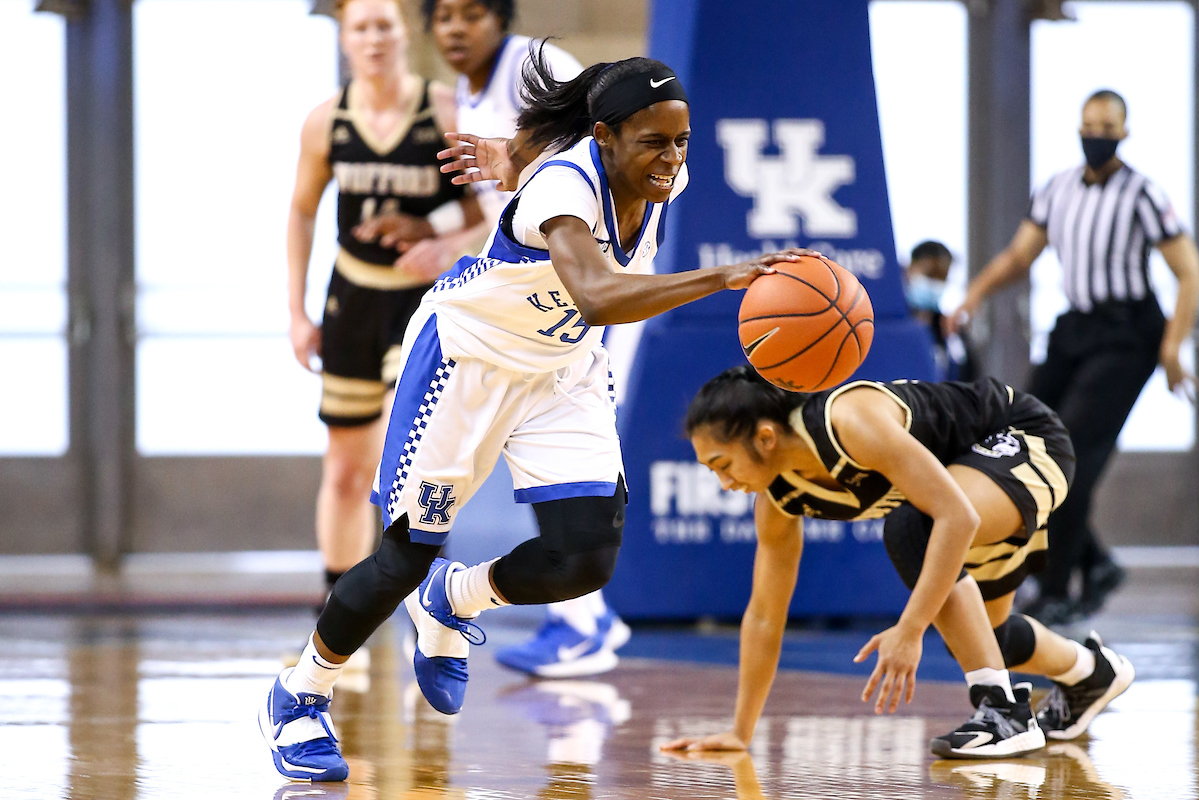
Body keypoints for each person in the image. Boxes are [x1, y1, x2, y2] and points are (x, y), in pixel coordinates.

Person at [260, 46, 811, 782]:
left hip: (562, 369)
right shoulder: (567, 184)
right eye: (654, 141)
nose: (673, 157)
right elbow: (596, 294)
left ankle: (455, 597)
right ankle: (299, 694)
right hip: (468, 360)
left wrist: (505, 155)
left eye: (682, 140)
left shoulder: (647, 172)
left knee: (584, 557)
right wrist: (722, 276)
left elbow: (542, 154)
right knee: (402, 554)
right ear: (606, 136)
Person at [661, 367, 1134, 759]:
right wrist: (741, 732)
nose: (724, 482)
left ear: (764, 437)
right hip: (967, 482)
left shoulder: (848, 420)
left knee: (913, 528)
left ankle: (1003, 712)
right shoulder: (779, 498)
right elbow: (765, 615)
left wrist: (909, 631)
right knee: (984, 638)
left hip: (1022, 439)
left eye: (723, 465)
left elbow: (956, 515)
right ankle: (1090, 674)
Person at [421, 0, 633, 678]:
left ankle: (584, 623)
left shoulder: (538, 69)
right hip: (529, 306)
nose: (456, 28)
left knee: (565, 465)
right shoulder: (465, 91)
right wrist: (437, 243)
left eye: (471, 14)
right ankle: (584, 618)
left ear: (501, 18)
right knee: (545, 467)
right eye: (443, 16)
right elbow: (510, 209)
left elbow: (591, 170)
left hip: (584, 301)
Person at [948, 89, 1199, 624]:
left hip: (1128, 333)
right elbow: (1021, 255)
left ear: (1123, 132)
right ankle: (1097, 561)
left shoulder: (1143, 194)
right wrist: (974, 294)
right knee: (1019, 439)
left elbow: (1189, 271)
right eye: (1088, 124)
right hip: (1075, 329)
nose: (1095, 134)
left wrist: (1173, 347)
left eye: (1106, 126)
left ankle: (1058, 586)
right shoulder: (1057, 189)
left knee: (1072, 455)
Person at [285, 0, 484, 654]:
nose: (373, 38)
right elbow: (302, 214)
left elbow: (496, 210)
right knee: (345, 469)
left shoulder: (445, 111)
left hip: (425, 304)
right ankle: (340, 618)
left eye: (384, 25)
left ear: (405, 34)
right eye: (360, 27)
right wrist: (296, 309)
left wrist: (443, 240)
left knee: (420, 465)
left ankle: (430, 613)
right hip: (352, 299)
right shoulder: (326, 123)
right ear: (344, 39)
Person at [905, 240, 976, 382]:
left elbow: (969, 377)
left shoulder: (951, 331)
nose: (935, 282)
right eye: (930, 274)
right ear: (910, 269)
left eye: (942, 277)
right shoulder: (895, 325)